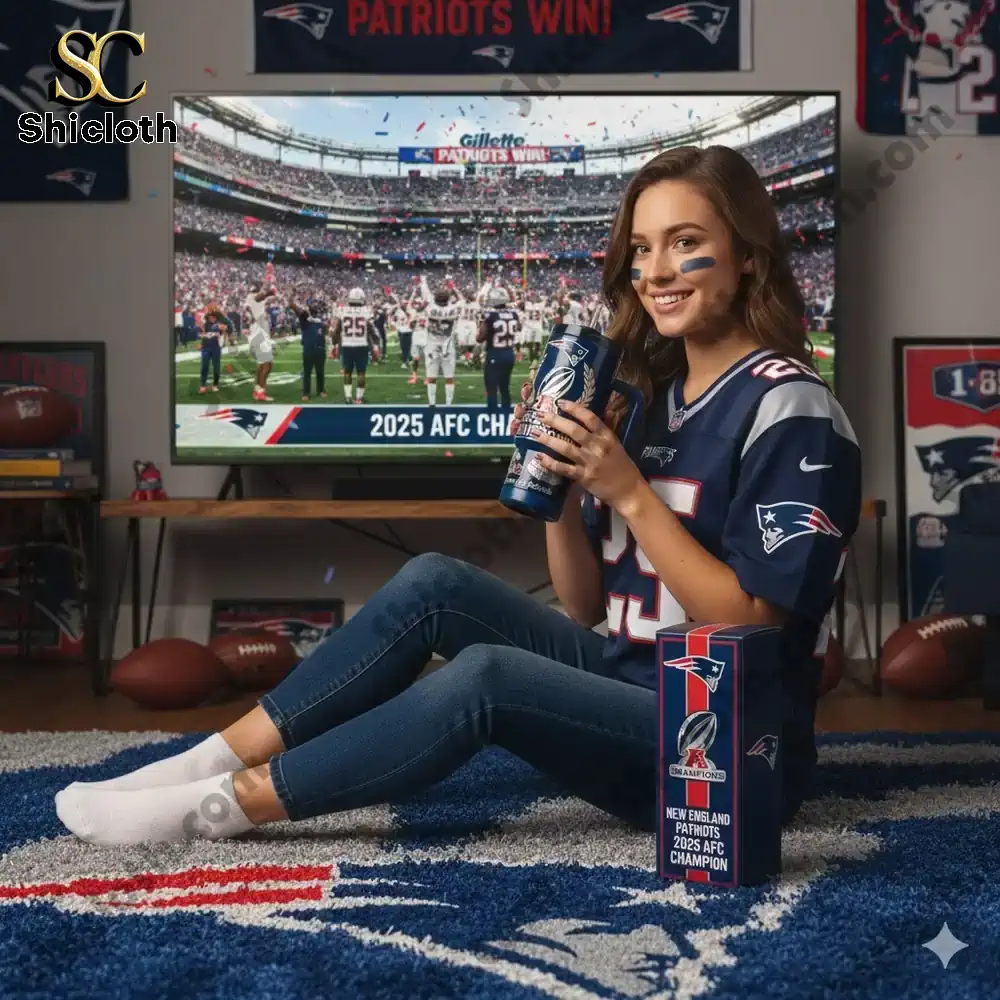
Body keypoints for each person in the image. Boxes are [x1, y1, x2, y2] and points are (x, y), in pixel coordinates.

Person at [54, 145, 861, 847]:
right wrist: (562, 480)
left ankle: (215, 809)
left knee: (487, 675)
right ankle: (212, 756)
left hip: (722, 746)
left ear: (748, 255)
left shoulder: (792, 405)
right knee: (436, 581)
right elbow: (583, 606)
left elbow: (753, 625)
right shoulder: (652, 396)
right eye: (642, 247)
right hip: (627, 683)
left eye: (686, 243)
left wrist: (633, 494)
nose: (653, 271)